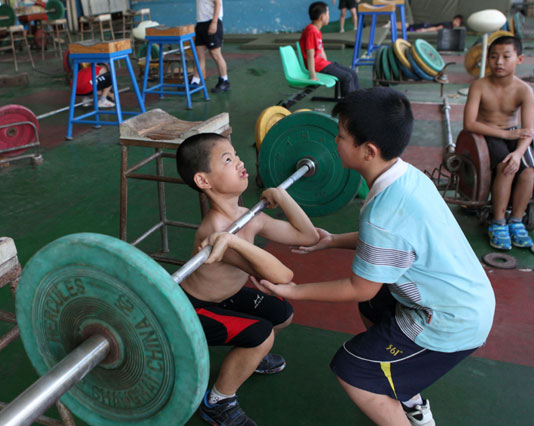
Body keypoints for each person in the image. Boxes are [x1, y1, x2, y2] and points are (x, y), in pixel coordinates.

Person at [252, 87, 496, 426]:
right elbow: (395, 245)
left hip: (448, 321)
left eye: (340, 136)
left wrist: (294, 291)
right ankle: (404, 387)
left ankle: (407, 407)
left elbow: (359, 286)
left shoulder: (383, 213)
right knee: (375, 304)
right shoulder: (407, 177)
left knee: (352, 370)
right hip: (469, 298)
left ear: (367, 151)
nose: (334, 141)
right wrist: (333, 240)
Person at [175, 133, 319, 426]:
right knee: (262, 334)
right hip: (193, 309)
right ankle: (218, 401)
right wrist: (233, 242)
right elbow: (283, 276)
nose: (239, 161)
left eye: (235, 154)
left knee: (283, 314)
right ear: (204, 181)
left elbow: (309, 236)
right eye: (227, 159)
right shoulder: (212, 229)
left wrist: (282, 196)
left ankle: (248, 359)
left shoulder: (248, 215)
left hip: (224, 297)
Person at [463, 35, 534, 250]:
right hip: (486, 134)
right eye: (494, 57)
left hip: (515, 136)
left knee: (528, 170)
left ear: (519, 59)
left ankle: (516, 220)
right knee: (506, 167)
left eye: (506, 56)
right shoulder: (479, 86)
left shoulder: (525, 90)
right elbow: (469, 123)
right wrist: (504, 136)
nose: (499, 62)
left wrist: (519, 153)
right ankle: (498, 222)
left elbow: (528, 131)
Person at [300, 2, 360, 97]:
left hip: (323, 64)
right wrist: (313, 76)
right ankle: (348, 106)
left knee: (352, 73)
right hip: (318, 67)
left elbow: (321, 50)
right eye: (328, 13)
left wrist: (329, 64)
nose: (329, 16)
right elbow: (310, 55)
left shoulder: (316, 30)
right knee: (346, 77)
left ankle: (357, 100)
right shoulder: (311, 31)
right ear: (322, 17)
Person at [190, 0, 230, 93]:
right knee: (199, 55)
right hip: (200, 24)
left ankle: (224, 81)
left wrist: (214, 22)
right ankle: (195, 82)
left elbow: (218, 3)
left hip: (212, 22)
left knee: (215, 53)